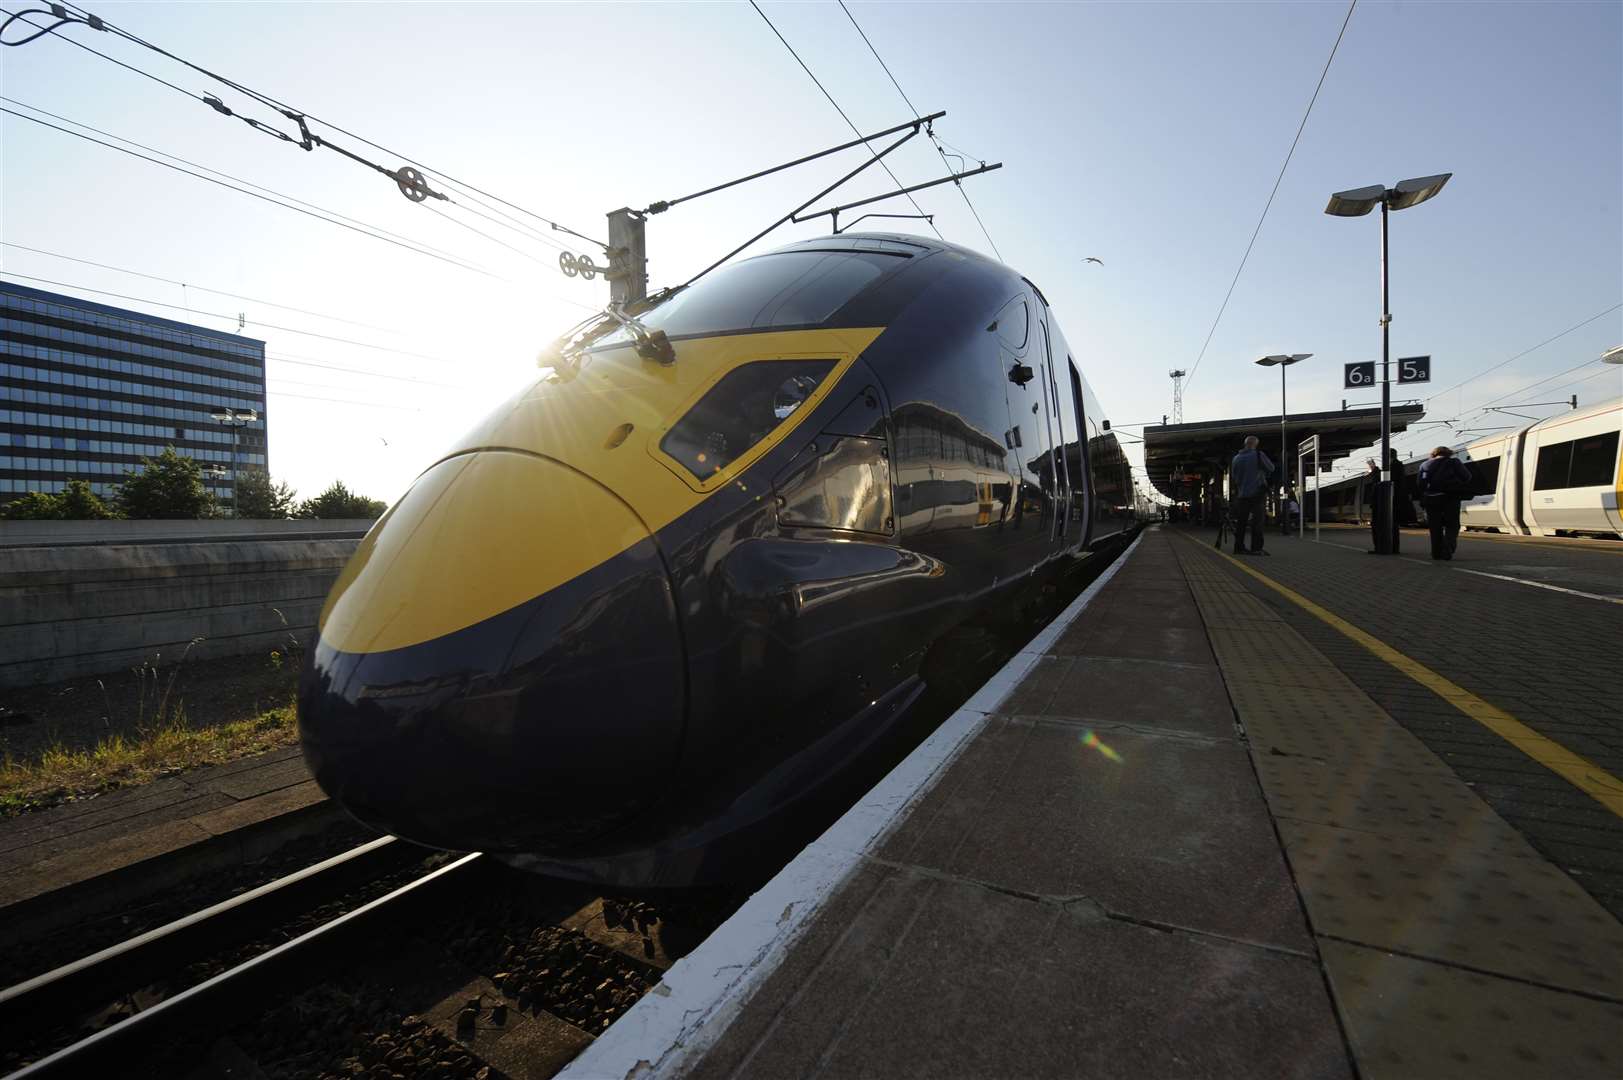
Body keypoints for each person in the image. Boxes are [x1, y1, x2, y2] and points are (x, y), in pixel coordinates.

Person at [1418, 445, 1473, 560]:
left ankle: (1436, 553)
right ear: (1448, 453)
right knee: (1452, 525)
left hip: (1431, 499)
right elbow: (1467, 477)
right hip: (1450, 498)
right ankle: (1447, 549)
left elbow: (1420, 484)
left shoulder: (1425, 465)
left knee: (1435, 527)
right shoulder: (1454, 462)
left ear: (1434, 454)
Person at [1229, 435, 1273, 555]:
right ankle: (1256, 548)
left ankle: (1238, 548)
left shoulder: (1236, 459)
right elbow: (1271, 468)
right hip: (1257, 494)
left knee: (1241, 522)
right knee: (1257, 522)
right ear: (1255, 444)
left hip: (1242, 494)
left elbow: (1235, 478)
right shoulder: (1258, 454)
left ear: (1245, 444)